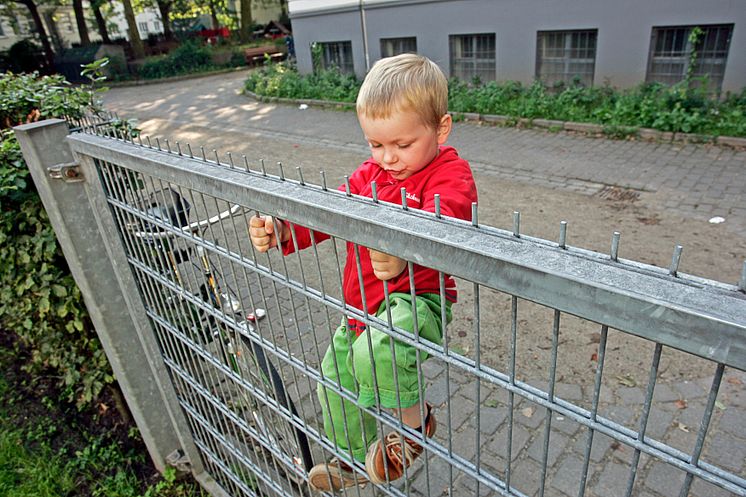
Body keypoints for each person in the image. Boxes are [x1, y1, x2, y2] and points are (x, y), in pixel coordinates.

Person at [248, 53, 478, 492]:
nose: (388, 158)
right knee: (332, 385)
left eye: (402, 145)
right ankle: (353, 461)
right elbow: (330, 214)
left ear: (441, 129)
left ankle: (414, 428)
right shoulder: (367, 175)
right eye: (376, 144)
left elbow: (450, 215)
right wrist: (281, 231)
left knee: (380, 350)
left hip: (418, 300)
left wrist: (405, 252)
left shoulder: (450, 173)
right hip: (361, 310)